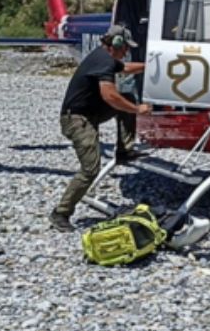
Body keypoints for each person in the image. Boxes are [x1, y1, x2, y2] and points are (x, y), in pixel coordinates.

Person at [50, 25, 151, 232]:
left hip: (89, 114)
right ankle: (61, 213)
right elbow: (109, 96)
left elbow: (124, 68)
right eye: (125, 48)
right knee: (90, 169)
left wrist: (148, 66)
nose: (126, 52)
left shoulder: (103, 58)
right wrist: (137, 109)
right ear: (116, 44)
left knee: (127, 98)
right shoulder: (104, 62)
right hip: (77, 120)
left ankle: (125, 150)